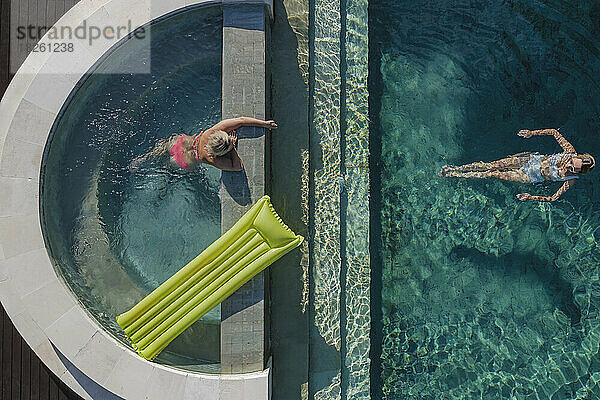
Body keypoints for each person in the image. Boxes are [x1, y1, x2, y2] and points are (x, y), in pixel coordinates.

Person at [439, 128, 595, 202]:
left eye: (573, 168)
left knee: (493, 174)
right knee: (491, 165)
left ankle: (455, 174)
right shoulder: (569, 152)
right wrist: (532, 133)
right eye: (571, 163)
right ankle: (457, 168)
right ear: (576, 157)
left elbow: (553, 198)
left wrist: (530, 197)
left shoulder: (572, 180)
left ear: (579, 172)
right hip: (530, 160)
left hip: (530, 176)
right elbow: (555, 132)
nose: (569, 166)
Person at [130, 117, 278, 172]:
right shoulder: (211, 159)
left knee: (159, 151)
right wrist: (232, 148)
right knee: (167, 168)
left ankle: (142, 160)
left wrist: (264, 123)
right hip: (181, 162)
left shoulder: (210, 132)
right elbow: (237, 167)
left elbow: (239, 120)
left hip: (178, 143)